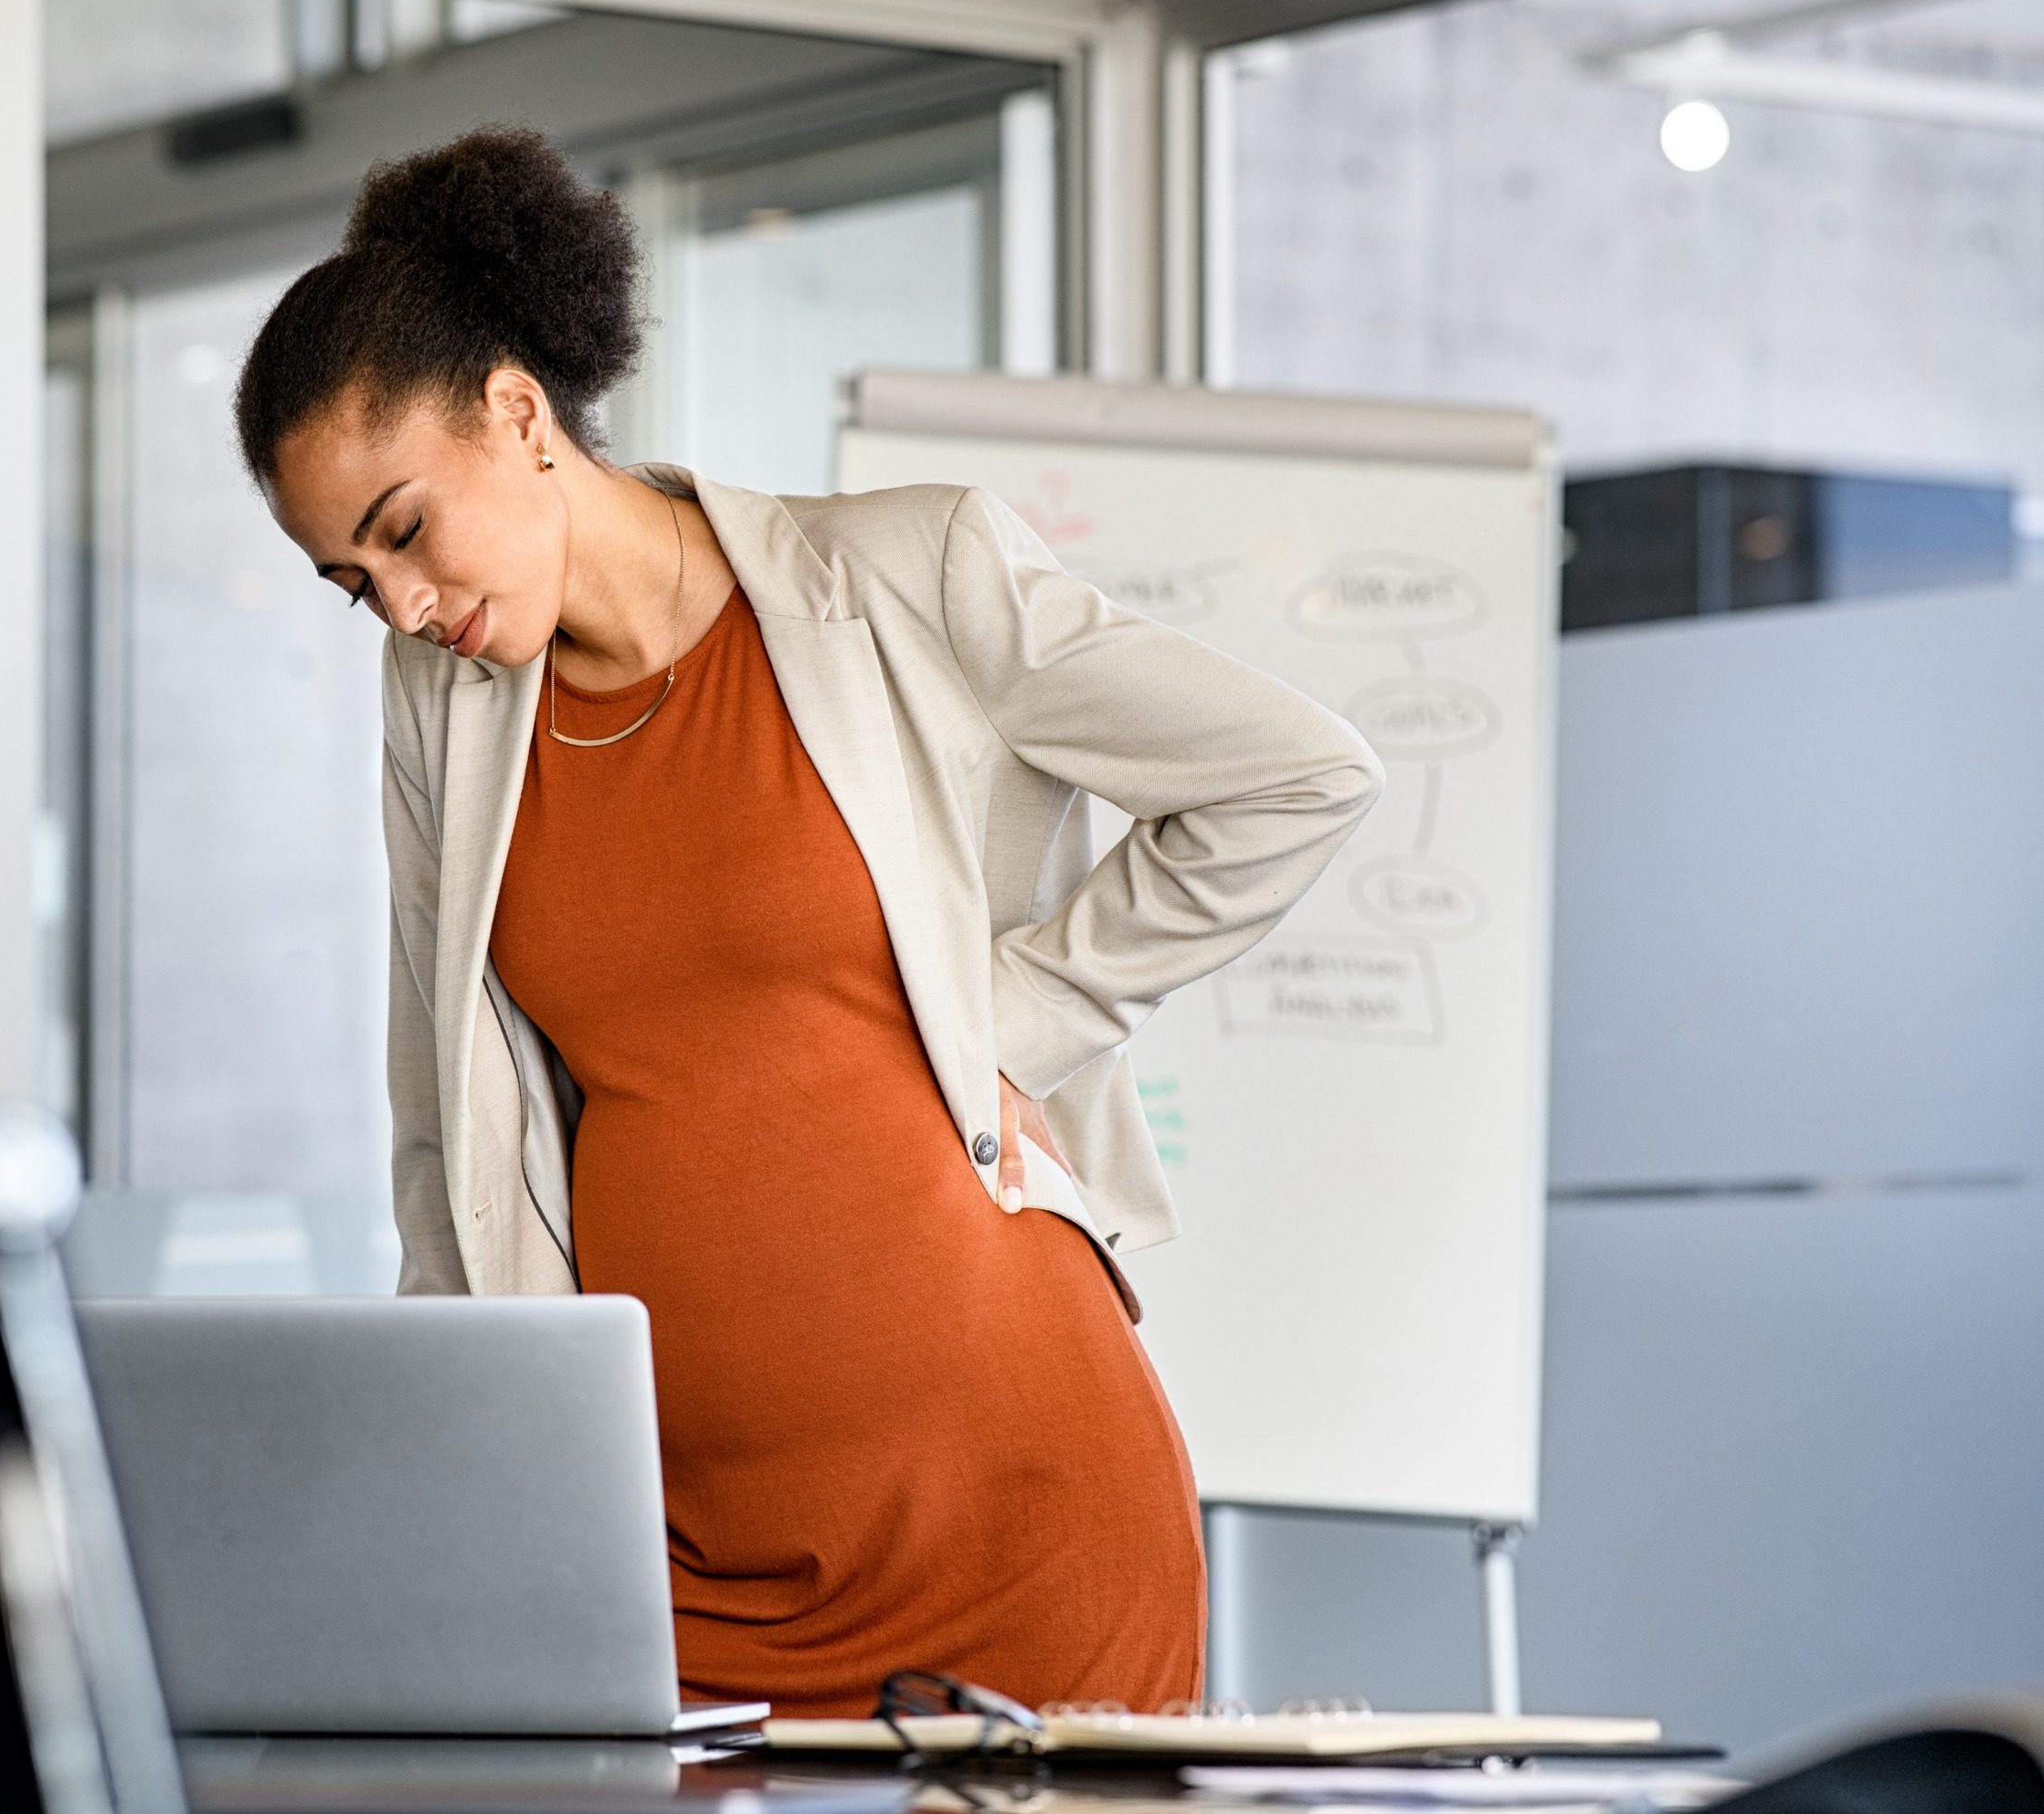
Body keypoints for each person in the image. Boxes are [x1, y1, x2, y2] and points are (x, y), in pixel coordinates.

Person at [234, 125, 1382, 1717]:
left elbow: (1296, 776)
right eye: (351, 578)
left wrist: (1017, 1022)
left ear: (518, 411)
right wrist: (483, 1483)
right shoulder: (444, 709)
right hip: (682, 1560)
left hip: (1024, 1527)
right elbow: (446, 1124)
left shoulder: (909, 574)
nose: (402, 604)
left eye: (406, 528)